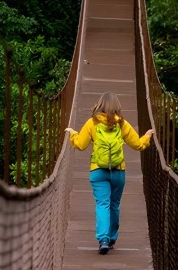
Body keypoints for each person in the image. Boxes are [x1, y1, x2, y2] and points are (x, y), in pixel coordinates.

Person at [65, 92, 154, 255]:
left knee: (102, 204)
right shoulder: (122, 124)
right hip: (118, 172)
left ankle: (103, 239)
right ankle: (112, 238)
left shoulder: (92, 123)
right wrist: (147, 136)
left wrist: (72, 133)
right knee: (114, 204)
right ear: (117, 107)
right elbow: (138, 145)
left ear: (99, 105)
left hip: (98, 171)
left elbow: (80, 145)